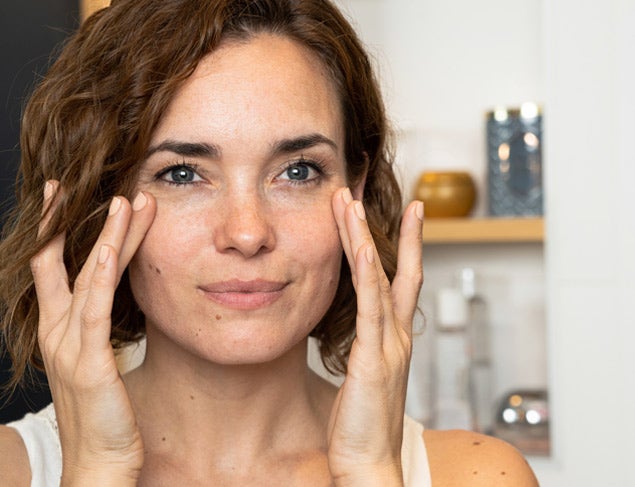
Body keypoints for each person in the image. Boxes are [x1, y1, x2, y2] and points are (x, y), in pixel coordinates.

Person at [0, 0, 539, 485]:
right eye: (184, 174)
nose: (248, 232)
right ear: (101, 200)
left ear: (356, 191)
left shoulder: (476, 475)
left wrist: (370, 471)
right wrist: (97, 471)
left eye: (298, 171)